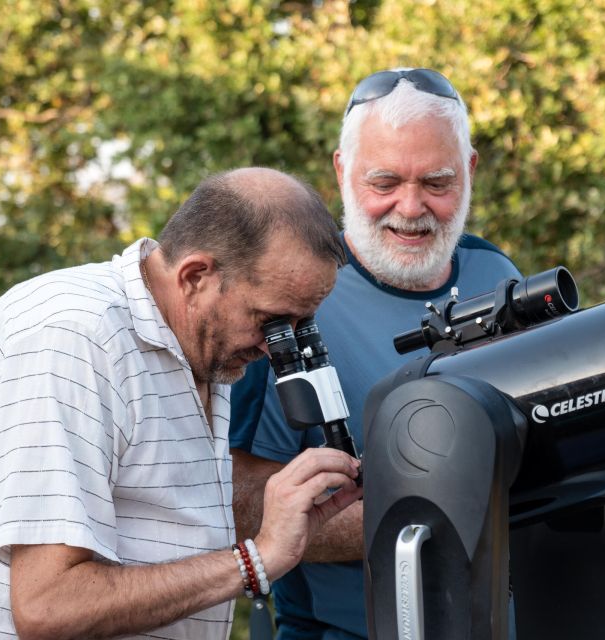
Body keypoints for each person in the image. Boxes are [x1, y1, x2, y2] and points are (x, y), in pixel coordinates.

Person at [0, 167, 363, 640]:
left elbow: (170, 509)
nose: (278, 346)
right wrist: (256, 560)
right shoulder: (72, 340)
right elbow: (48, 606)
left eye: (297, 326)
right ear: (195, 276)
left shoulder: (201, 340)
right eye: (270, 321)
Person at [229, 69, 523, 638]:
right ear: (342, 171)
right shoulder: (288, 299)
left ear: (470, 171)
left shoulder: (499, 274)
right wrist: (448, 514)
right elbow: (234, 498)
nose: (410, 209)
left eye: (437, 183)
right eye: (384, 181)